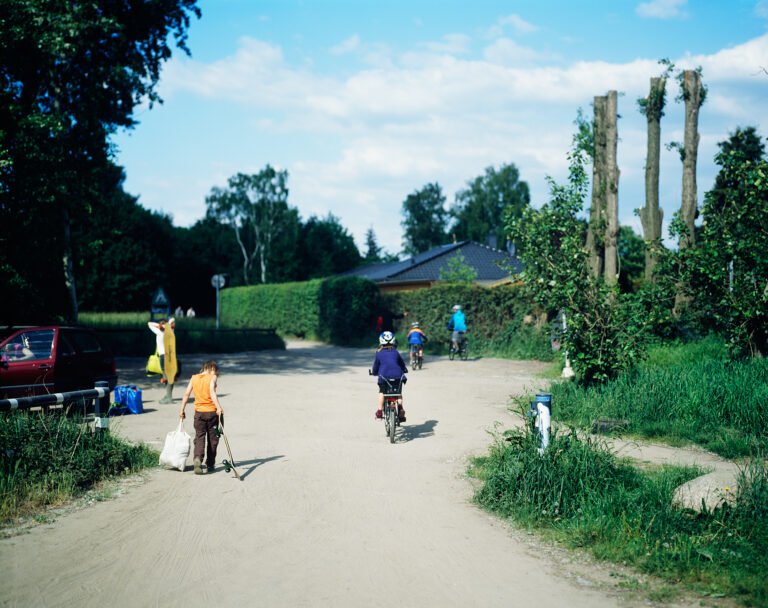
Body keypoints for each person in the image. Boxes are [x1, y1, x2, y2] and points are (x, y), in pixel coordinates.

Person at [179, 360, 223, 475]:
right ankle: (210, 463)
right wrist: (218, 407)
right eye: (215, 371)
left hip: (199, 414)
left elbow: (186, 394)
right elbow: (212, 393)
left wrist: (182, 409)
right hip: (211, 413)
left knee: (199, 437)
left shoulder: (194, 378)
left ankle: (197, 458)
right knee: (213, 439)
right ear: (211, 368)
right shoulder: (212, 377)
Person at [371, 331, 408, 422]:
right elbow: (401, 364)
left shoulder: (379, 353)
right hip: (397, 376)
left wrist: (374, 372)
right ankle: (400, 409)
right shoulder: (396, 352)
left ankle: (380, 412)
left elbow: (376, 366)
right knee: (398, 393)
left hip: (384, 377)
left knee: (382, 392)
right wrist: (404, 369)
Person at [147, 317, 178, 403]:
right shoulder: (171, 331)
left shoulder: (159, 332)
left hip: (164, 357)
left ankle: (169, 398)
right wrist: (167, 325)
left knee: (167, 378)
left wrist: (160, 326)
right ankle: (168, 395)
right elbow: (173, 319)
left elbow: (149, 324)